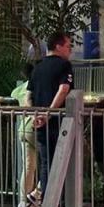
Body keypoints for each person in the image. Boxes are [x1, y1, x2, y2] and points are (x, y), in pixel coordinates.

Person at [28, 32, 74, 198]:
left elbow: (29, 94)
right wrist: (50, 112)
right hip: (60, 124)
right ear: (58, 46)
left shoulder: (38, 67)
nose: (71, 51)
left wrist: (35, 115)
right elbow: (63, 90)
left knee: (46, 164)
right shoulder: (64, 66)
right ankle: (63, 206)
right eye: (69, 46)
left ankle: (49, 205)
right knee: (64, 164)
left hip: (41, 124)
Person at [11, 63, 41, 207]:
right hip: (35, 127)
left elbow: (13, 95)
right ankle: (36, 195)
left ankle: (23, 202)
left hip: (22, 127)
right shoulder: (38, 84)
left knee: (28, 167)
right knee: (56, 161)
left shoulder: (20, 89)